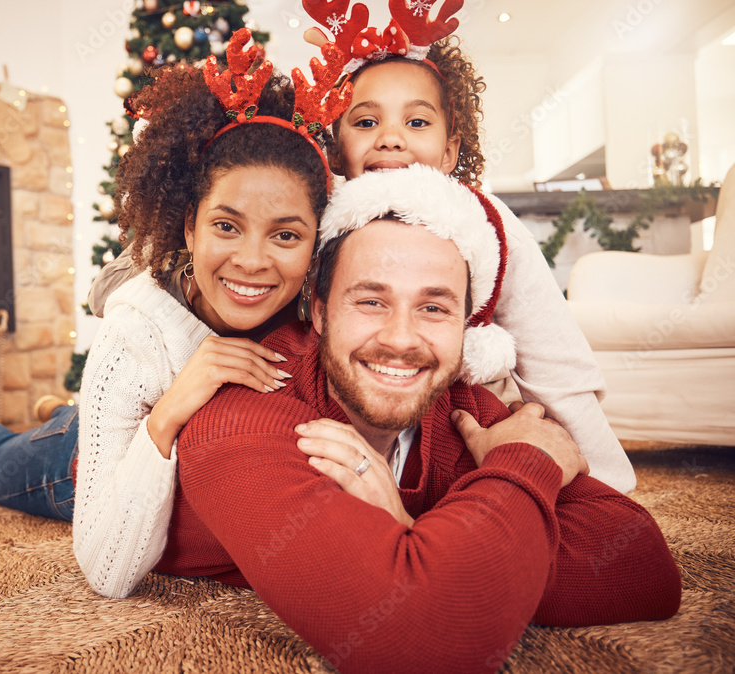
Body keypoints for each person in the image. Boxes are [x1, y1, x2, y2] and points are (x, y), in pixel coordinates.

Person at [92, 0, 637, 493]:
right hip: (191, 407)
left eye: (416, 121)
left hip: (377, 414)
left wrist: (605, 474)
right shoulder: (316, 203)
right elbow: (126, 276)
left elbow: (556, 358)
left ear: (450, 151)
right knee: (46, 465)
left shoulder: (487, 223)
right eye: (367, 120)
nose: (391, 137)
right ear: (335, 141)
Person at [155, 166, 681, 673]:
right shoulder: (242, 416)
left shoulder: (460, 406)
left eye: (433, 309)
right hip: (75, 464)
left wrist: (417, 541)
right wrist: (524, 463)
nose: (402, 340)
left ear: (465, 324)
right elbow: (421, 645)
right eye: (371, 300)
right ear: (319, 311)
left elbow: (643, 565)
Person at [0, 32, 347, 599]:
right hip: (75, 462)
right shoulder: (136, 332)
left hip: (112, 415)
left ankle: (63, 407)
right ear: (189, 226)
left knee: (78, 412)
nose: (252, 262)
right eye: (226, 225)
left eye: (285, 234)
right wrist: (172, 407)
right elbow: (106, 571)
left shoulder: (319, 315)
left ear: (314, 245)